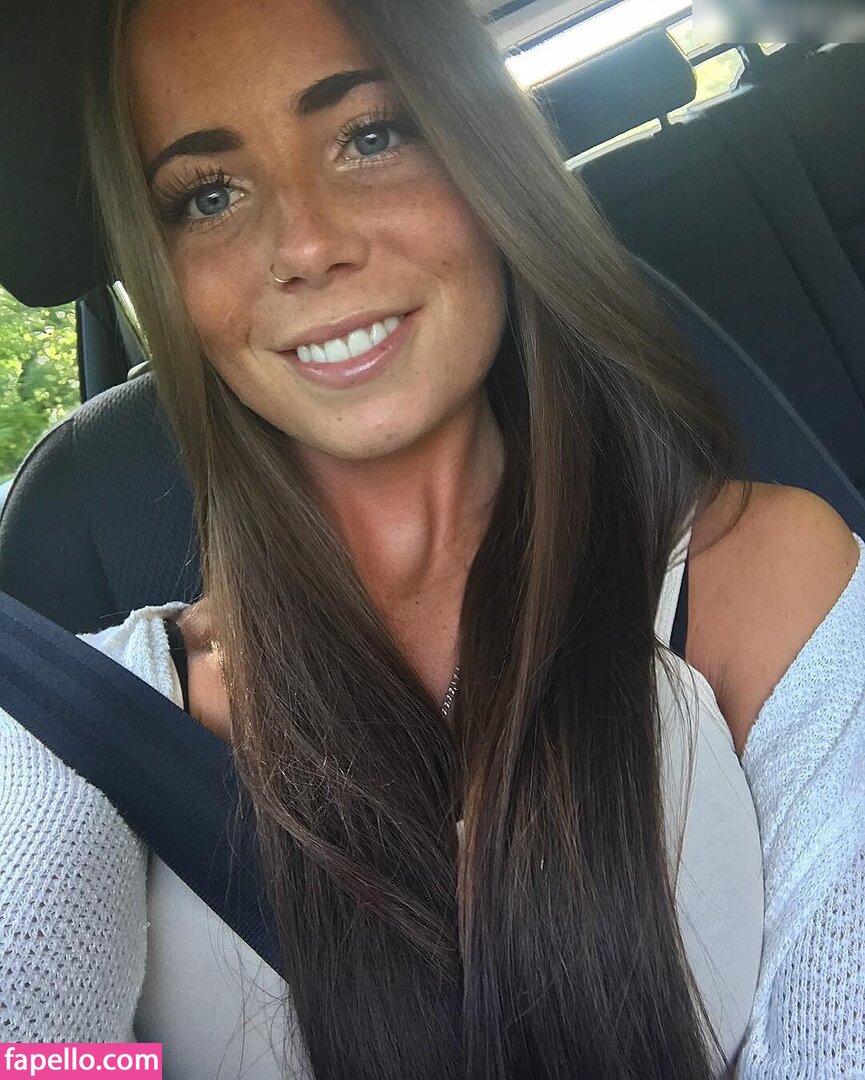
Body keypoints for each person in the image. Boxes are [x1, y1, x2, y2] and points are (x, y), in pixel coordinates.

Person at [1, 0, 863, 1076]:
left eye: (370, 135)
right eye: (208, 196)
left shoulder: (761, 576)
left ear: (484, 156)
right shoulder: (74, 726)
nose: (305, 246)